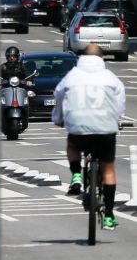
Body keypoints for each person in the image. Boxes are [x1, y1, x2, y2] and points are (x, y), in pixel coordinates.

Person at [53, 44, 126, 229]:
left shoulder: (72, 76)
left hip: (79, 128)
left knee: (73, 144)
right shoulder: (110, 77)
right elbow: (119, 102)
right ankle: (109, 215)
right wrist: (116, 119)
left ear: (82, 58)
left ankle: (76, 174)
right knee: (108, 169)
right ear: (102, 59)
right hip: (105, 129)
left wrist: (59, 119)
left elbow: (59, 95)